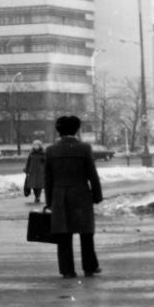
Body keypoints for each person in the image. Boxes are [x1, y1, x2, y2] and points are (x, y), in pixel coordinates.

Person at [44, 115, 103, 279]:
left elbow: (48, 179)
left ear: (59, 131)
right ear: (77, 130)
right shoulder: (84, 148)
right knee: (86, 233)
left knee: (63, 235)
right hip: (81, 195)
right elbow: (92, 174)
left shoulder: (51, 150)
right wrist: (97, 195)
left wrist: (49, 201)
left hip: (59, 196)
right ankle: (90, 267)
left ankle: (67, 270)